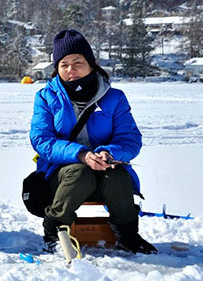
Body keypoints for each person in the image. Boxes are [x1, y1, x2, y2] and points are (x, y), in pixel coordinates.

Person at [27, 29, 156, 254]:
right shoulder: (46, 97)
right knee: (79, 172)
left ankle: (127, 234)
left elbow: (130, 139)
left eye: (77, 62)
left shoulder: (115, 98)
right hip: (63, 174)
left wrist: (109, 153)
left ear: (91, 63)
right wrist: (81, 155)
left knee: (117, 174)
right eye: (64, 64)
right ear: (56, 68)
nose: (71, 69)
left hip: (107, 167)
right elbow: (42, 140)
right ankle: (56, 232)